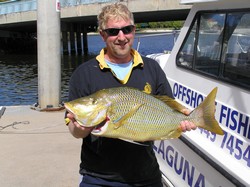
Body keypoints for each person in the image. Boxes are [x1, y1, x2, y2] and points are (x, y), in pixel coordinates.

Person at [65, 3, 196, 187]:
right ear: (103, 35)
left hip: (146, 175)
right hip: (98, 178)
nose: (121, 37)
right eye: (113, 31)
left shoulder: (152, 68)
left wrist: (182, 120)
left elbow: (169, 106)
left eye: (127, 29)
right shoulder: (84, 73)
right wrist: (81, 127)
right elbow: (74, 131)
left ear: (134, 30)